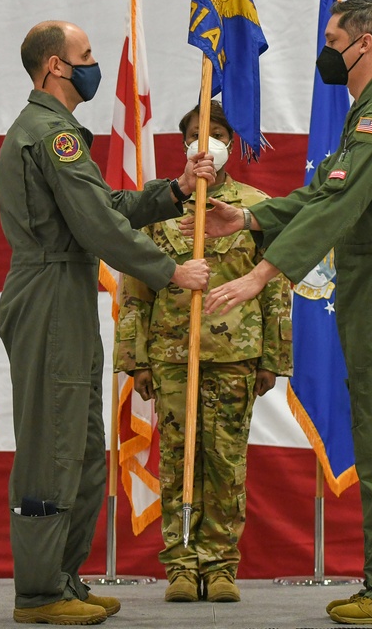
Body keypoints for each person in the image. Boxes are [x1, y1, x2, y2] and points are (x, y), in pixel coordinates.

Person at [193, 0, 372, 625]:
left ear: (364, 44)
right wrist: (247, 218)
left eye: (332, 39)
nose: (325, 50)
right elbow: (320, 191)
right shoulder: (365, 114)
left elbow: (338, 210)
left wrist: (259, 275)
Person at [0, 20, 213, 626]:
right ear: (54, 67)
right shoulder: (48, 134)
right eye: (84, 55)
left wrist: (172, 191)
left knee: (85, 448)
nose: (92, 64)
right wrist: (172, 272)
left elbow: (107, 206)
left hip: (66, 291)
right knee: (53, 446)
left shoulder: (61, 133)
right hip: (48, 292)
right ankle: (39, 593)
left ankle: (63, 577)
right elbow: (97, 227)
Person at [114, 101, 292, 604]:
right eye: (195, 133)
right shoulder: (160, 207)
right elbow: (136, 287)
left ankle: (219, 566)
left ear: (230, 146)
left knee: (225, 463)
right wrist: (137, 360)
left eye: (215, 134)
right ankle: (181, 564)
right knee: (177, 460)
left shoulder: (255, 207)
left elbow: (277, 286)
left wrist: (273, 359)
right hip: (172, 354)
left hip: (236, 356)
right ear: (184, 144)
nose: (205, 142)